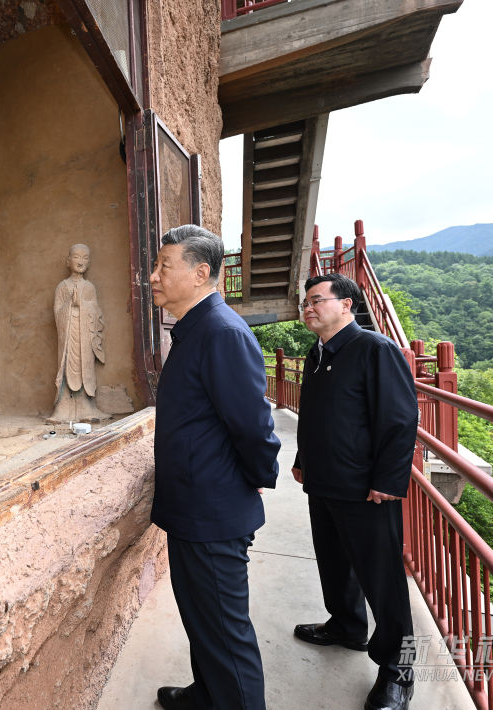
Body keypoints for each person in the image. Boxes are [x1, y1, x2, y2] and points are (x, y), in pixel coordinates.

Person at [150, 224, 281, 710]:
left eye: (165, 266)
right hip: (194, 507)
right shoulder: (194, 329)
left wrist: (254, 479)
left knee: (227, 631)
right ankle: (207, 694)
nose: (154, 276)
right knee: (201, 617)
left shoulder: (222, 332)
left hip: (213, 511)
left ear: (201, 273)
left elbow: (253, 426)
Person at [291, 273, 419, 710]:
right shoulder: (318, 352)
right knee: (334, 562)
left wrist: (387, 481)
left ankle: (398, 670)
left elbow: (400, 421)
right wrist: (302, 459)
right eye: (305, 302)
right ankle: (346, 626)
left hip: (367, 489)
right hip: (324, 482)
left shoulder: (374, 349)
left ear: (347, 305)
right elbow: (316, 415)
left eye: (317, 300)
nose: (308, 307)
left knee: (382, 580)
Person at [49, 243, 106, 423]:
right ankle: (63, 408)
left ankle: (86, 406)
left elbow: (97, 312)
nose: (80, 261)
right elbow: (57, 313)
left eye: (85, 257)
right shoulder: (62, 287)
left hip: (85, 334)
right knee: (67, 365)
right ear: (68, 261)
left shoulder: (89, 287)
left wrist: (83, 305)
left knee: (85, 367)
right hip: (68, 334)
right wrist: (70, 305)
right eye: (76, 257)